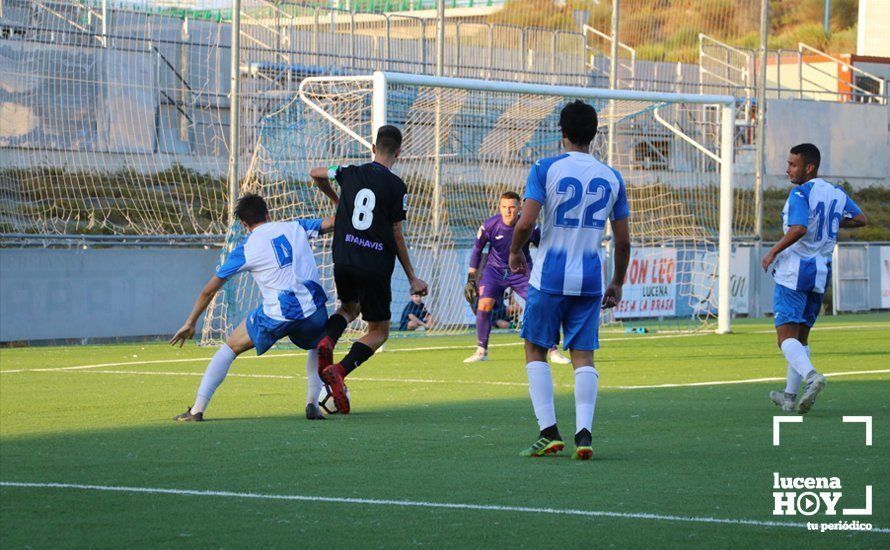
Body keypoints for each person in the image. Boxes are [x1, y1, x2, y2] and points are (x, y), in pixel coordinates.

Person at [509, 100, 631, 460]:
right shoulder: (612, 177)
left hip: (548, 277)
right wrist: (617, 282)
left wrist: (516, 252)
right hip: (591, 279)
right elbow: (623, 240)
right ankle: (584, 435)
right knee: (583, 356)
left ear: (561, 132)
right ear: (594, 135)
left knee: (535, 348)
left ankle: (548, 432)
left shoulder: (545, 167)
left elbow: (526, 222)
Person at [169, 194, 334, 421]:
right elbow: (333, 222)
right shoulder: (295, 226)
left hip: (278, 315)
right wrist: (339, 200)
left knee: (228, 349)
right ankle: (312, 403)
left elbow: (208, 290)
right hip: (314, 311)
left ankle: (197, 410)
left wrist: (190, 323)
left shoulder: (245, 248)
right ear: (268, 214)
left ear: (245, 225)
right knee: (317, 345)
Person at [310, 125, 428, 414]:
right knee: (379, 331)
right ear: (399, 152)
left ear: (373, 148)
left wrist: (336, 200)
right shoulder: (397, 187)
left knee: (349, 308)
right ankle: (339, 370)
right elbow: (396, 233)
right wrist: (412, 276)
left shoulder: (348, 171)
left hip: (345, 258)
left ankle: (328, 338)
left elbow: (315, 172)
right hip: (375, 264)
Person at [762, 143, 867, 414]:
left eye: (793, 164)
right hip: (820, 271)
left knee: (785, 338)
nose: (788, 169)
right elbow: (860, 218)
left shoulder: (800, 192)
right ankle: (788, 397)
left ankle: (812, 377)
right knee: (801, 339)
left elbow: (798, 228)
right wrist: (832, 222)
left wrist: (773, 251)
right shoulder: (836, 192)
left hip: (794, 271)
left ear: (809, 167)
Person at [463, 191, 570, 365]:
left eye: (512, 207)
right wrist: (471, 278)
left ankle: (552, 350)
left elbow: (543, 249)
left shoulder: (529, 226)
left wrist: (548, 272)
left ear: (519, 207)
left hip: (521, 271)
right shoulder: (490, 226)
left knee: (540, 304)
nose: (508, 211)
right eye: (504, 207)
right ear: (499, 207)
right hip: (494, 271)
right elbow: (477, 250)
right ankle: (481, 350)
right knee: (484, 303)